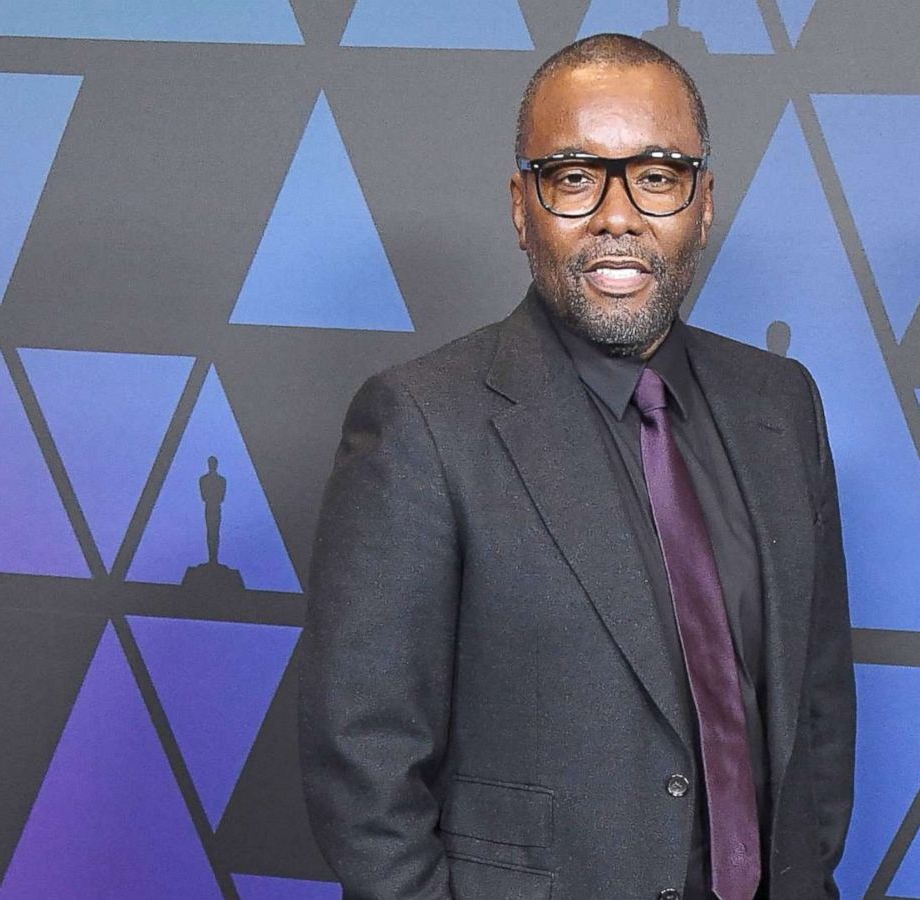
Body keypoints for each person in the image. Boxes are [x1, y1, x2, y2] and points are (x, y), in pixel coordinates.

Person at [299, 33, 855, 900]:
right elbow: (362, 762)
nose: (618, 215)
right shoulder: (422, 423)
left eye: (658, 176)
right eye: (574, 177)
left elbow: (815, 708)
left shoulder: (779, 404)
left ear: (704, 204)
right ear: (522, 207)